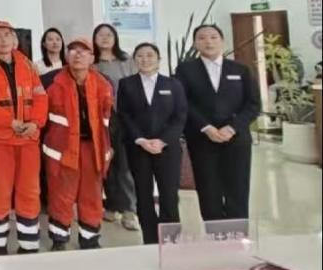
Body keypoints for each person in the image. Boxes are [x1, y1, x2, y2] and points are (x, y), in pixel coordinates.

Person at [0, 20, 47, 255]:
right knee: (0, 190)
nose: (3, 40)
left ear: (15, 39)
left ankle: (29, 244)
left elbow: (41, 97)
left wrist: (35, 123)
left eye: (7, 35)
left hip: (28, 139)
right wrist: (10, 122)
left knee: (29, 191)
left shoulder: (29, 66)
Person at [175, 24, 260, 222]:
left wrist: (233, 127)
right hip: (202, 138)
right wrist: (206, 127)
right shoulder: (185, 70)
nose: (208, 41)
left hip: (236, 138)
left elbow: (253, 104)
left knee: (238, 188)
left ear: (222, 41)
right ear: (195, 44)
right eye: (202, 38)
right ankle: (215, 233)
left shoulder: (240, 69)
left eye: (213, 37)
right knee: (208, 189)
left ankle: (238, 234)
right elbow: (182, 102)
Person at [43, 38, 114, 251]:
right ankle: (59, 239)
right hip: (62, 149)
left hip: (93, 148)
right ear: (66, 56)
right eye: (73, 50)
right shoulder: (51, 82)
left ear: (92, 58)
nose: (78, 54)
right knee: (61, 194)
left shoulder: (103, 83)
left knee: (91, 195)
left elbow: (110, 121)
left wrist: (109, 148)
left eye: (84, 51)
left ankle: (89, 238)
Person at [118, 43, 188, 244]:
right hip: (138, 148)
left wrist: (163, 140)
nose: (145, 59)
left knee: (169, 195)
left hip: (168, 148)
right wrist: (140, 140)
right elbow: (124, 115)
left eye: (150, 55)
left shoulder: (173, 84)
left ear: (158, 59)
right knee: (143, 195)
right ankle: (150, 241)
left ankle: (171, 240)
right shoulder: (126, 84)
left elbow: (180, 116)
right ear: (134, 60)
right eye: (140, 56)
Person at [93, 23, 140, 232]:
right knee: (107, 163)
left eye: (109, 34)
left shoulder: (127, 61)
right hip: (102, 119)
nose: (105, 38)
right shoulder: (92, 64)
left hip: (126, 117)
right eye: (100, 35)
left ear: (115, 38)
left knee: (124, 164)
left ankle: (129, 210)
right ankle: (111, 205)